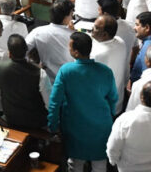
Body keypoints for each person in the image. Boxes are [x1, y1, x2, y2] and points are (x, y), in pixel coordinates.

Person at [48, 32, 117, 172]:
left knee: (75, 163)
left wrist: (53, 125)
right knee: (100, 164)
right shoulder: (105, 71)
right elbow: (113, 98)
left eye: (70, 47)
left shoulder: (66, 71)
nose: (68, 49)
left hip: (75, 127)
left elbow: (55, 102)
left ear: (76, 52)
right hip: (101, 126)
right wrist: (110, 117)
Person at [26, 0, 74, 82]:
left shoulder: (37, 32)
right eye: (71, 15)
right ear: (65, 17)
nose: (72, 18)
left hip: (45, 79)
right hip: (69, 79)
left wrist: (33, 66)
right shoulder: (73, 36)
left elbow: (21, 51)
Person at [91, 15, 128, 115]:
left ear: (105, 34)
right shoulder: (120, 42)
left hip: (102, 107)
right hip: (118, 102)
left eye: (96, 28)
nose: (92, 29)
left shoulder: (98, 55)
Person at [97, 0, 136, 65]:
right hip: (125, 71)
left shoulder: (105, 30)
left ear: (105, 14)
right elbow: (136, 48)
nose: (97, 12)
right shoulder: (131, 26)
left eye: (99, 9)